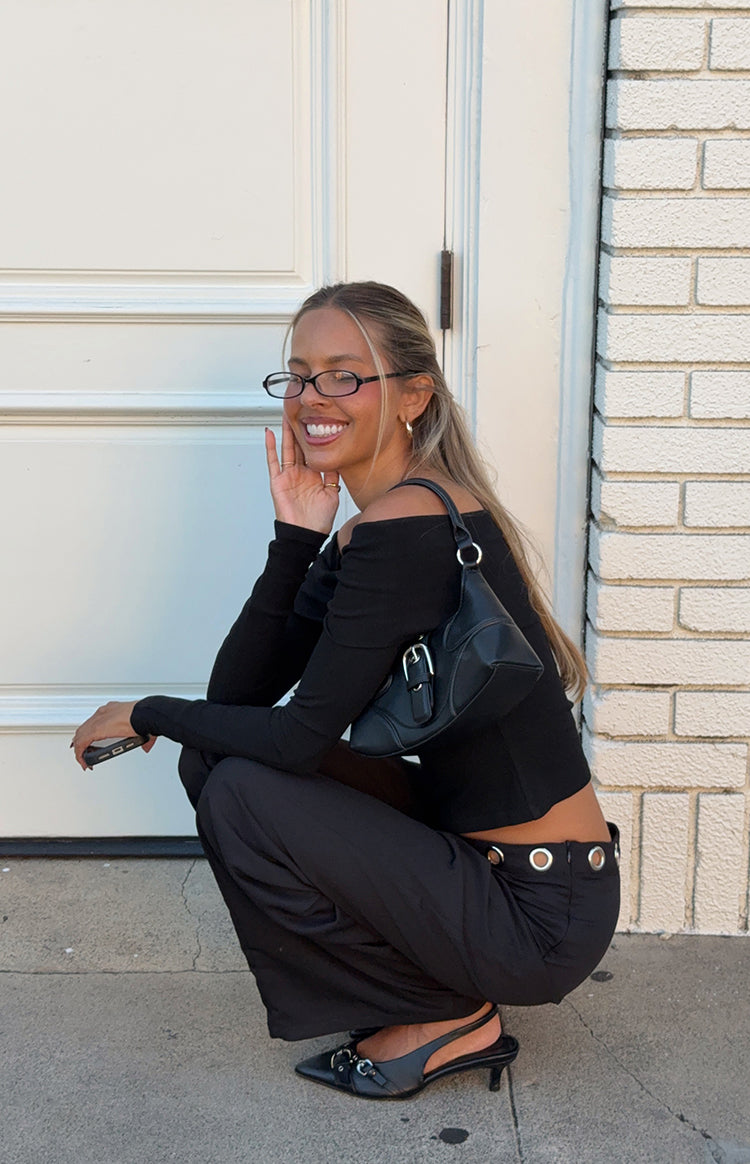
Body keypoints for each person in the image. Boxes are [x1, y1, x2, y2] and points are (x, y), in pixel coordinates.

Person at [72, 280, 620, 1101]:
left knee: (245, 789)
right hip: (504, 876)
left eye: (341, 374)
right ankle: (438, 992)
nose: (309, 399)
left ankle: (447, 1014)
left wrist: (145, 711)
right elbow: (242, 701)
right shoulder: (386, 519)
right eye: (296, 375)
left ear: (413, 394)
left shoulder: (406, 527)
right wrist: (295, 539)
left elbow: (289, 739)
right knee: (217, 766)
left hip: (536, 909)